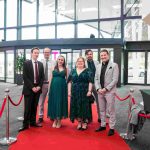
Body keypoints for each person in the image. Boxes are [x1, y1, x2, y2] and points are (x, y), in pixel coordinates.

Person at [19, 47, 44, 132]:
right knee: (27, 108)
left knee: (34, 107)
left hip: (37, 89)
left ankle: (33, 122)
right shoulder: (26, 63)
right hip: (29, 89)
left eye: (37, 53)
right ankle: (25, 124)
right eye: (35, 53)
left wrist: (39, 86)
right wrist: (32, 87)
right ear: (31, 53)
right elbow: (25, 77)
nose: (36, 54)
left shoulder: (40, 64)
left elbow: (42, 77)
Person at [95, 49, 119, 136]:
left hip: (109, 91)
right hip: (100, 91)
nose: (103, 57)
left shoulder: (114, 65)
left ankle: (112, 128)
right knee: (101, 109)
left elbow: (115, 80)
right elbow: (96, 79)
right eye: (101, 55)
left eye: (104, 55)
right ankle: (103, 125)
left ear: (108, 55)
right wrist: (98, 89)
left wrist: (106, 88)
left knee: (111, 110)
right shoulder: (98, 66)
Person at [68, 56, 93, 130]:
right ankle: (79, 122)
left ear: (84, 63)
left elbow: (91, 81)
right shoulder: (73, 71)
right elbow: (69, 82)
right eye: (78, 62)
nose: (80, 63)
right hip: (75, 91)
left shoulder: (88, 71)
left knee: (84, 106)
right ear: (76, 63)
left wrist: (89, 91)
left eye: (81, 62)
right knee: (76, 106)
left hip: (84, 91)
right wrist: (69, 91)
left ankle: (85, 122)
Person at [47, 55, 68, 128]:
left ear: (64, 61)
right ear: (57, 60)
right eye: (59, 59)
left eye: (62, 60)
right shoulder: (53, 68)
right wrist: (49, 90)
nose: (60, 61)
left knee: (60, 102)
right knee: (54, 103)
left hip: (62, 89)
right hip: (54, 88)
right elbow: (50, 79)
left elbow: (68, 80)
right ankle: (55, 120)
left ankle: (59, 120)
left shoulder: (66, 69)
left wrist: (68, 90)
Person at [38, 47, 55, 123]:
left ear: (50, 53)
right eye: (45, 52)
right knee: (41, 101)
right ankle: (40, 116)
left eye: (48, 52)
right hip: (42, 84)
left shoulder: (54, 62)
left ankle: (52, 115)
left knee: (51, 100)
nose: (46, 53)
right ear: (43, 53)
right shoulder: (40, 62)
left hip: (52, 84)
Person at [85, 49, 100, 122]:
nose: (89, 55)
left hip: (96, 84)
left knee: (99, 100)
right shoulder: (83, 63)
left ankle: (100, 117)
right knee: (87, 102)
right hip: (87, 84)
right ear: (86, 55)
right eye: (88, 54)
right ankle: (87, 118)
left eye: (91, 54)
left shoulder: (97, 62)